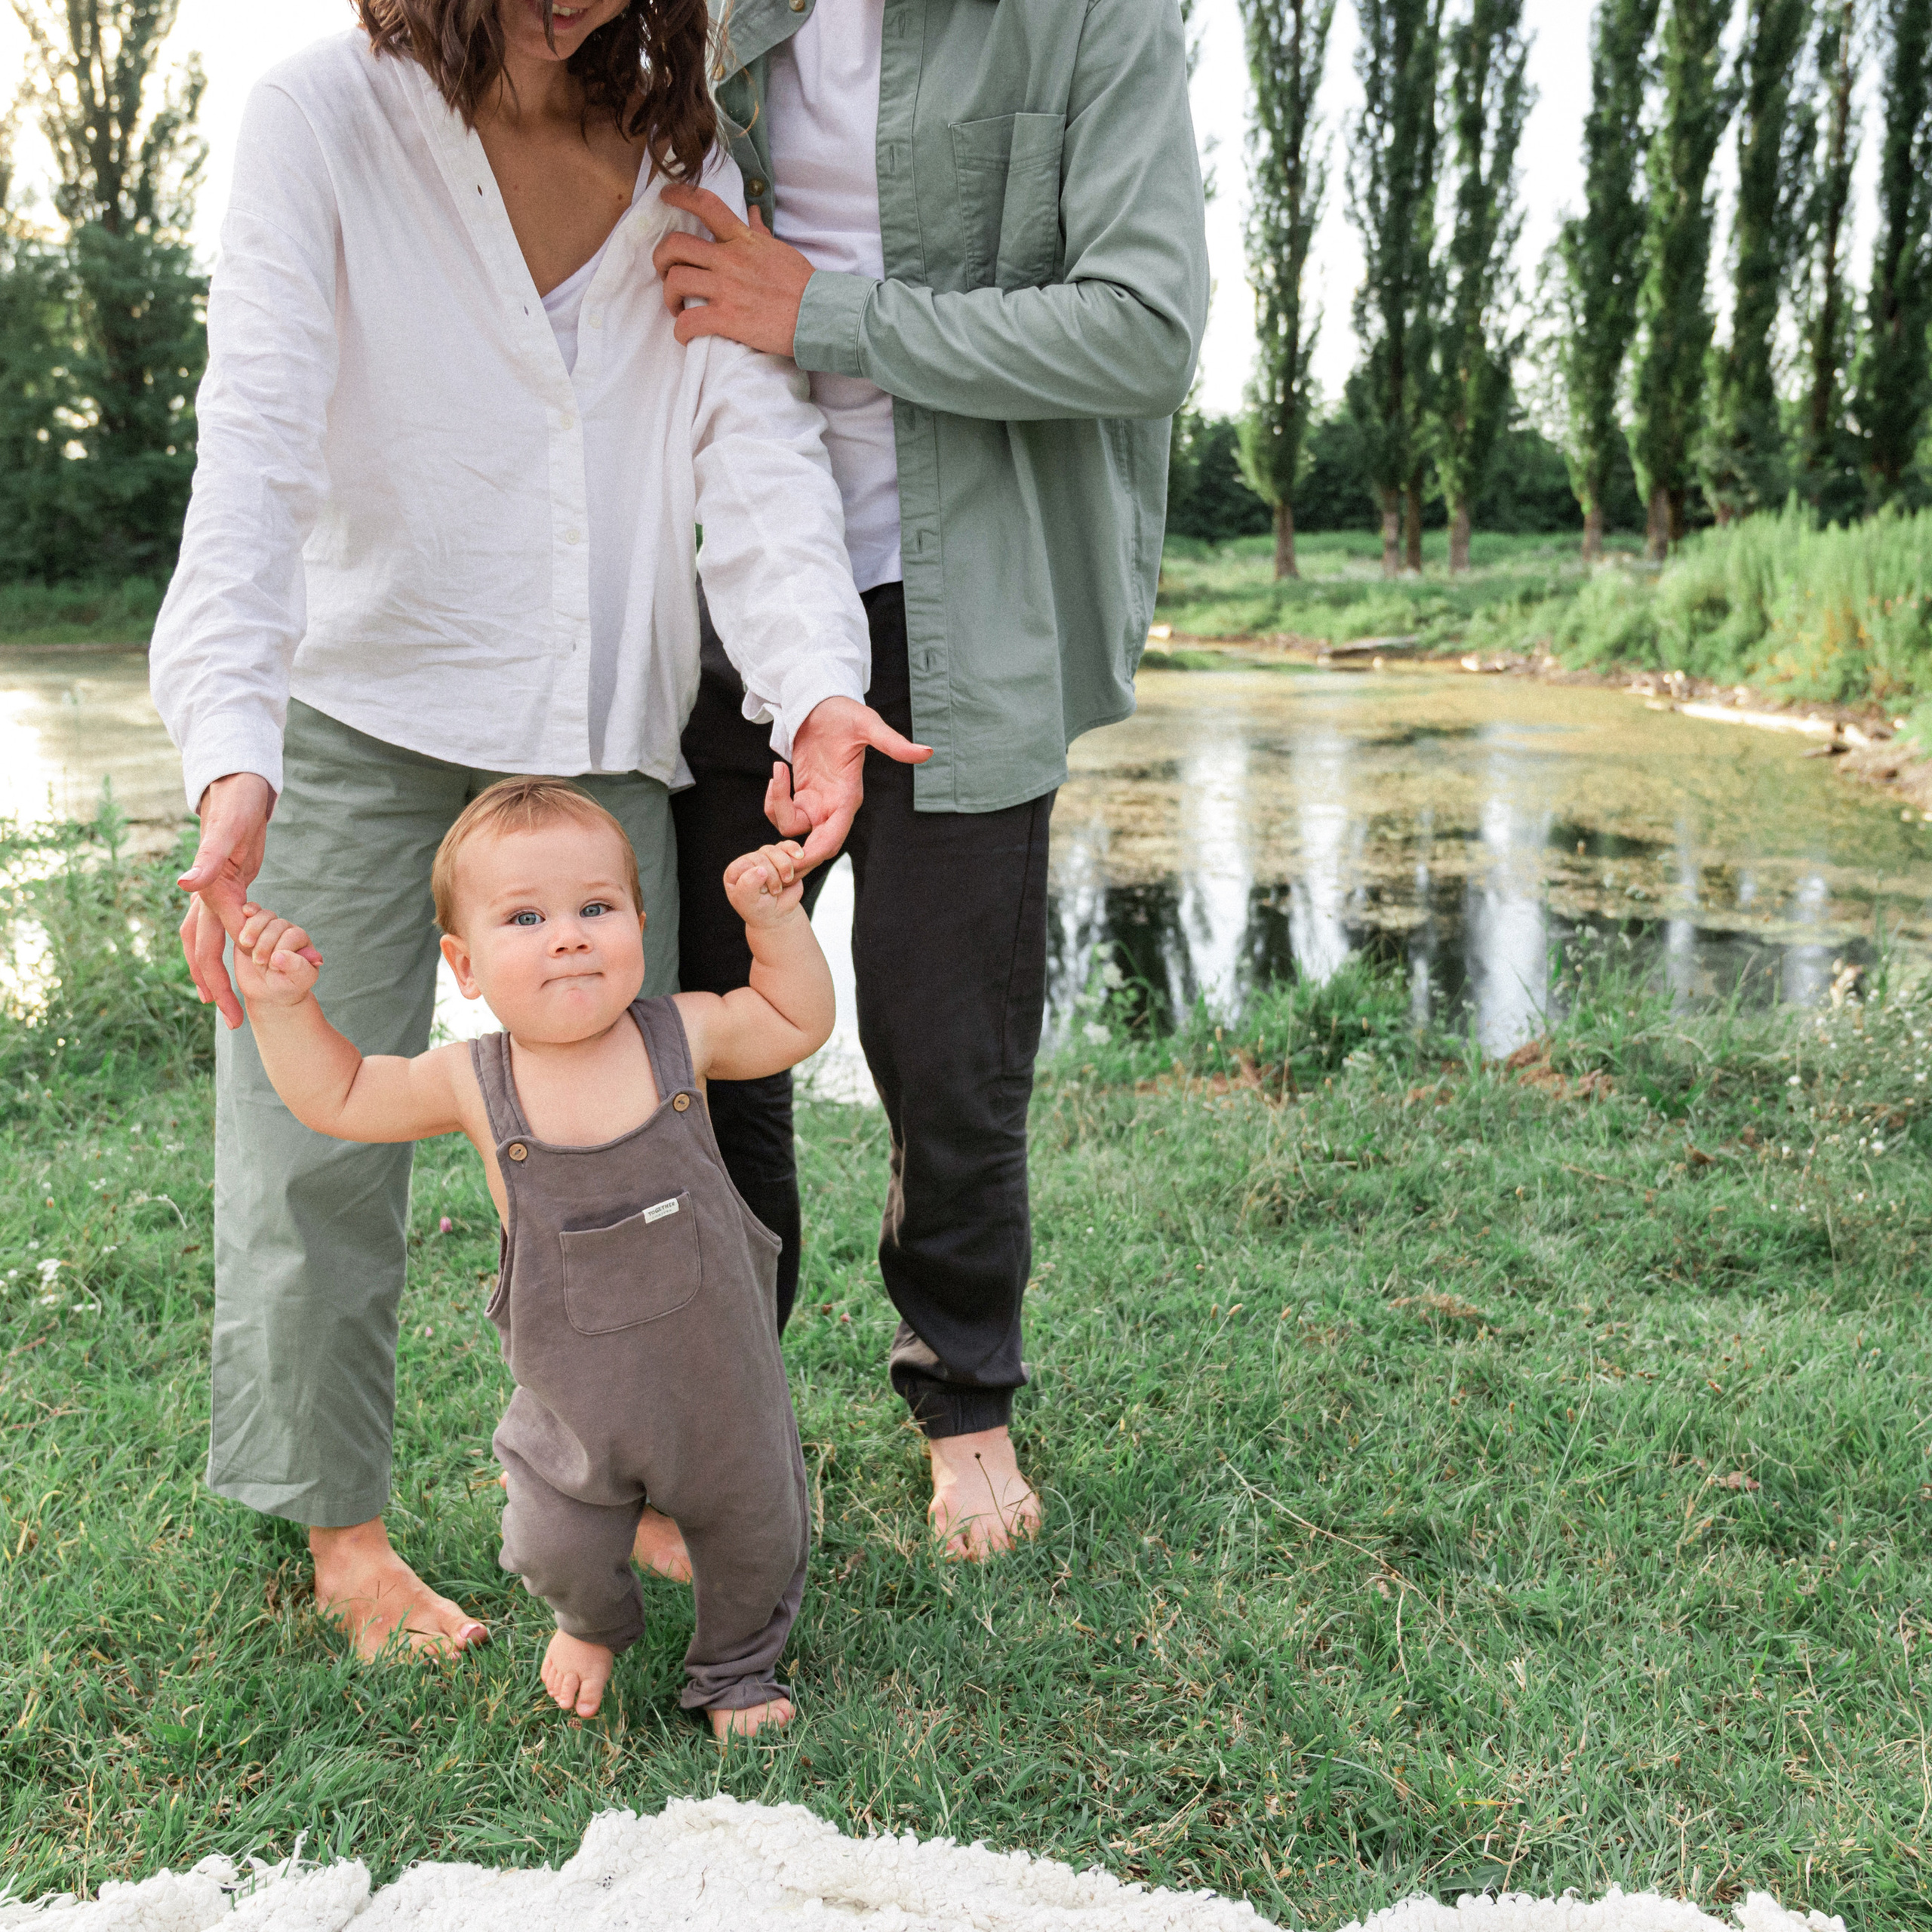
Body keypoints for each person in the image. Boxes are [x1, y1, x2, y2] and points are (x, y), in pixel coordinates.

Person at [151, 0, 921, 1660]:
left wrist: (810, 688)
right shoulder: (322, 120)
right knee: (306, 1141)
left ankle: (648, 1477)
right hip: (358, 699)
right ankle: (338, 1531)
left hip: (595, 722)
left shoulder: (683, 144)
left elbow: (752, 437)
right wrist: (231, 747)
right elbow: (257, 442)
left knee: (641, 1159)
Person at [656, 0, 1210, 1558]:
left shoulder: (1091, 21)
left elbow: (1145, 328)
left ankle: (963, 1396)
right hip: (738, 577)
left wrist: (819, 309)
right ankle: (723, 1398)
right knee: (707, 1006)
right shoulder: (702, 20)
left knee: (941, 1027)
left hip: (961, 594)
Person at [228, 780, 826, 1737]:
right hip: (572, 1419)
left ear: (637, 918)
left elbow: (797, 1021)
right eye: (525, 917)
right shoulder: (472, 1081)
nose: (568, 936)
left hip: (725, 1398)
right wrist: (281, 1007)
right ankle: (593, 1625)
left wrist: (774, 924)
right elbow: (338, 1095)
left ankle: (736, 1673)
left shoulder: (686, 1034)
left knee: (759, 1536)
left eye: (596, 908)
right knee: (551, 1545)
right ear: (463, 966)